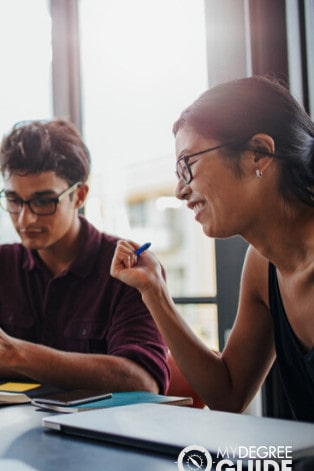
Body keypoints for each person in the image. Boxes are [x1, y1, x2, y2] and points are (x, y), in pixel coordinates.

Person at [111, 75, 314, 421]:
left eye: (188, 165)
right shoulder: (262, 266)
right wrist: (154, 291)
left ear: (259, 154)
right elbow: (229, 392)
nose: (180, 190)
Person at [0, 119, 169, 393]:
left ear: (80, 196)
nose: (25, 218)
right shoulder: (2, 263)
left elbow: (142, 381)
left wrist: (9, 352)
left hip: (101, 431)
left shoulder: (128, 268)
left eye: (43, 201)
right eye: (14, 201)